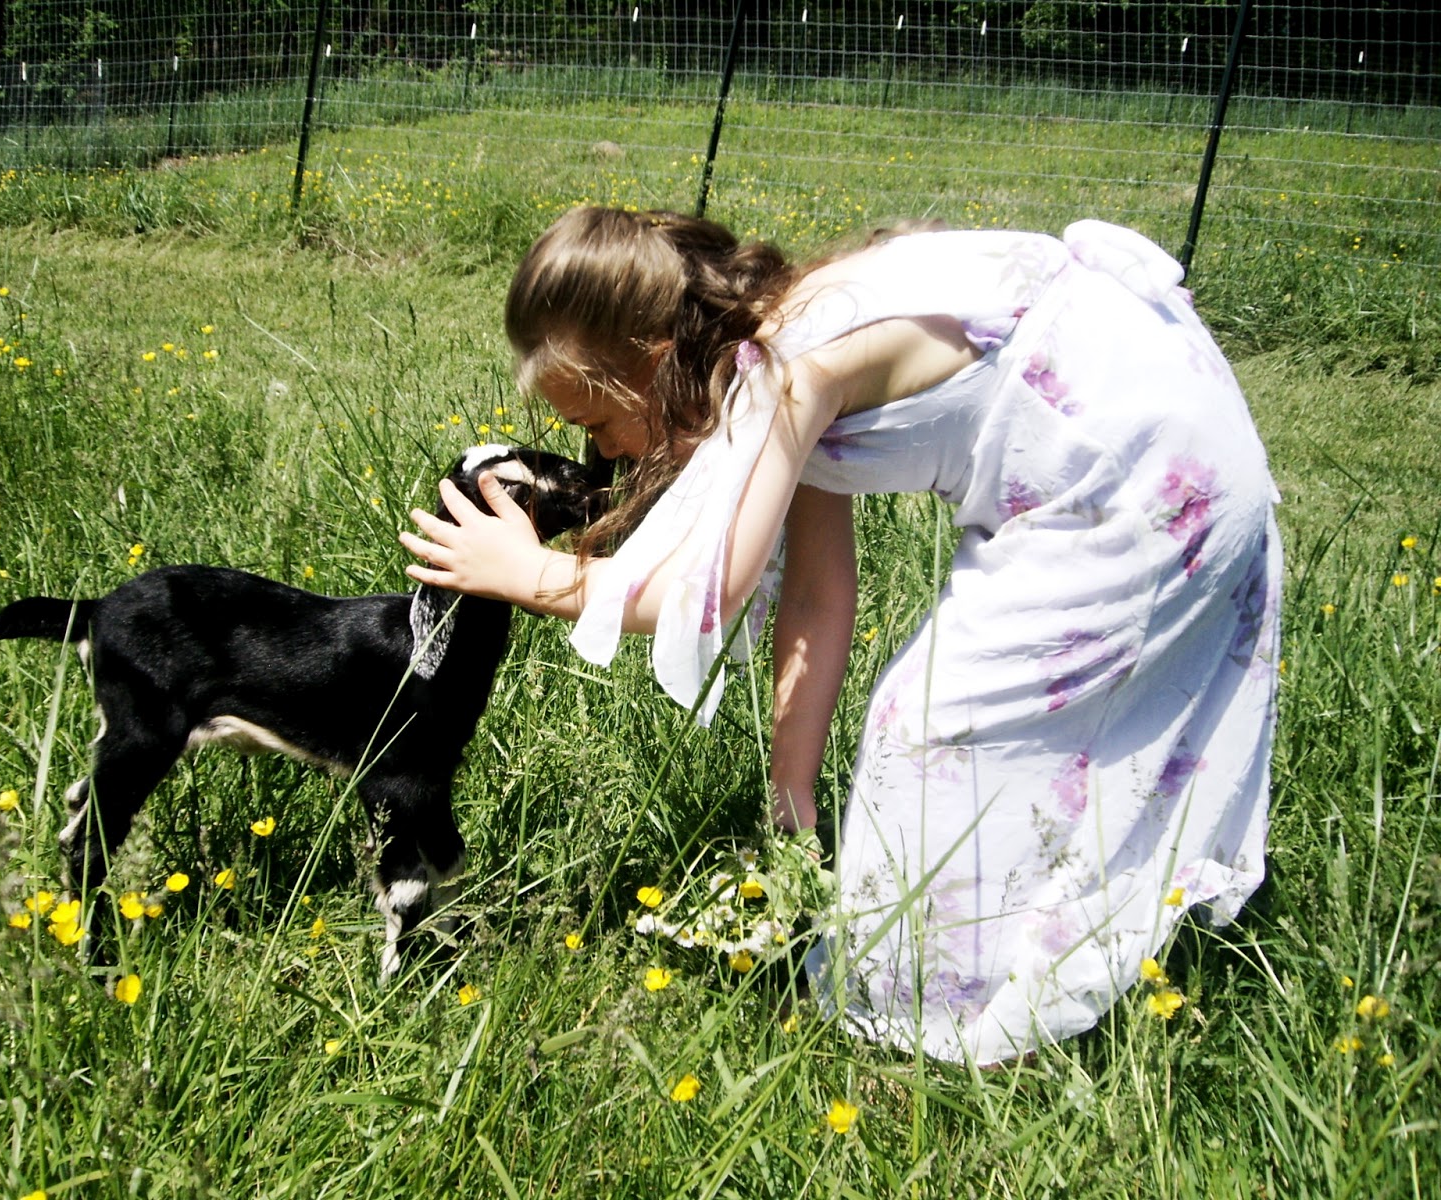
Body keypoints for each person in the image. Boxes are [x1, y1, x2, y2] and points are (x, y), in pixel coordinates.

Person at [400, 206, 1281, 1064]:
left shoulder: (789, 371)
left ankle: (919, 1030)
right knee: (966, 724)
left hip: (1145, 474)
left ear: (657, 362)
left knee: (930, 726)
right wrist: (794, 800)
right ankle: (1029, 933)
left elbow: (705, 593)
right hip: (1168, 421)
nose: (603, 458)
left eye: (596, 425)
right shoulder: (789, 344)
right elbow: (818, 596)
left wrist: (527, 575)